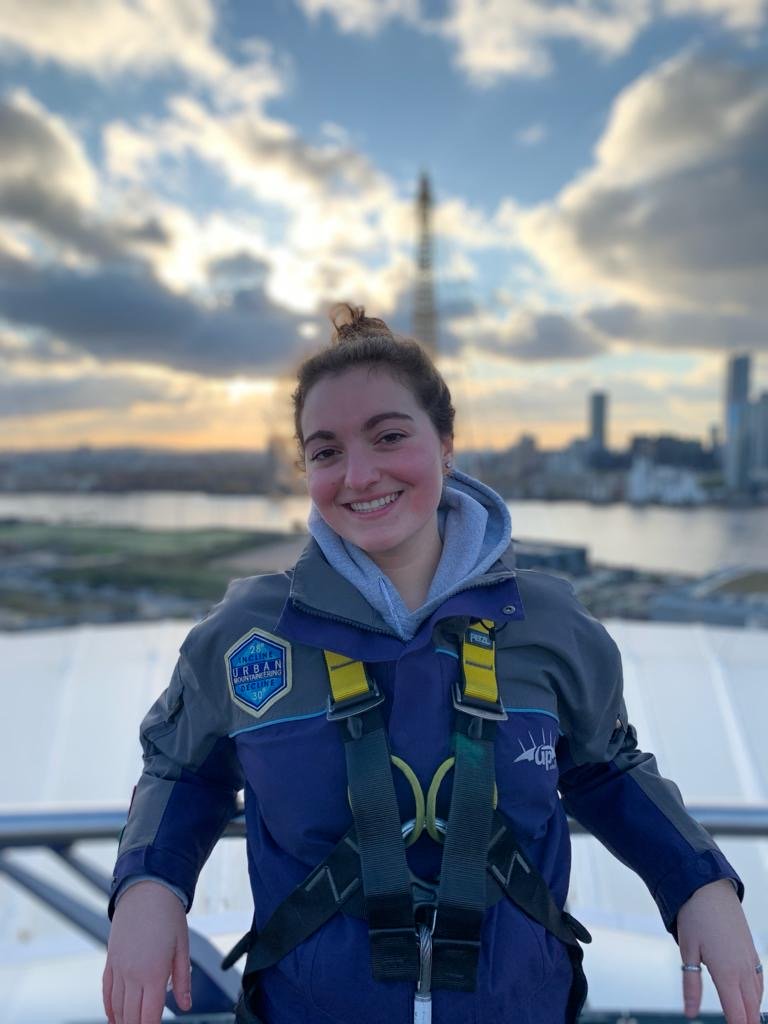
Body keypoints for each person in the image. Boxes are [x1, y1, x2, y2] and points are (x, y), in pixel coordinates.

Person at [104, 304, 762, 1024]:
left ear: (446, 446)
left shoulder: (547, 625)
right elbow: (181, 769)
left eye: (389, 436)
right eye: (325, 452)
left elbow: (605, 767)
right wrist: (149, 887)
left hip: (519, 1006)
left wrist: (699, 886)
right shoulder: (247, 634)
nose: (358, 475)